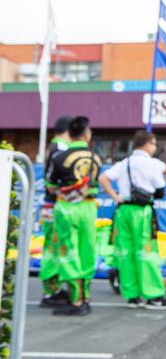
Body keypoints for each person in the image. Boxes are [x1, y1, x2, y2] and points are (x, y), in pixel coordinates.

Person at [99, 130, 166, 309]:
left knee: (125, 252)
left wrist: (115, 196)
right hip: (142, 212)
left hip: (122, 210)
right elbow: (161, 184)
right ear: (149, 143)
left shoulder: (124, 162)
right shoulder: (152, 164)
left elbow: (103, 178)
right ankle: (154, 295)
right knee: (147, 252)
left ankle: (132, 295)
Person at [46, 116, 102, 316]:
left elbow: (51, 186)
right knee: (87, 251)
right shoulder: (96, 157)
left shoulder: (59, 157)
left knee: (69, 252)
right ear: (86, 135)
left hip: (67, 208)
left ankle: (76, 300)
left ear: (69, 134)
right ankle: (85, 298)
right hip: (89, 208)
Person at [40, 115, 72, 308]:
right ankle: (51, 292)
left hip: (50, 206)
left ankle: (54, 290)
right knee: (54, 249)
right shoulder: (61, 148)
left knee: (53, 248)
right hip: (56, 206)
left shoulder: (53, 146)